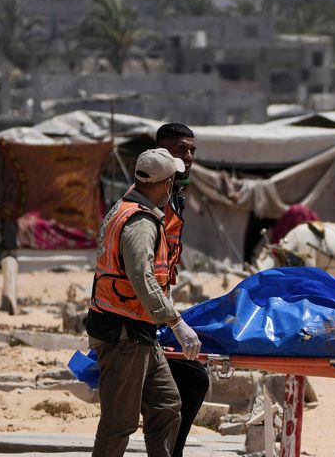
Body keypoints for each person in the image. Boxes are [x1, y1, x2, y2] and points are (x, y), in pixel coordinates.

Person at [88, 148, 201, 457]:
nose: (173, 187)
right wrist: (177, 323)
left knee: (166, 405)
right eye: (171, 181)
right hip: (123, 333)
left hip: (139, 331)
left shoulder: (126, 206)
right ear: (162, 183)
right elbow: (142, 278)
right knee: (119, 422)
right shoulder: (140, 223)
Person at [155, 123, 210, 457]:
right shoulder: (150, 199)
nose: (188, 157)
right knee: (191, 380)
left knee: (189, 381)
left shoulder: (174, 195)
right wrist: (174, 321)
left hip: (158, 303)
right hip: (138, 312)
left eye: (191, 150)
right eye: (180, 150)